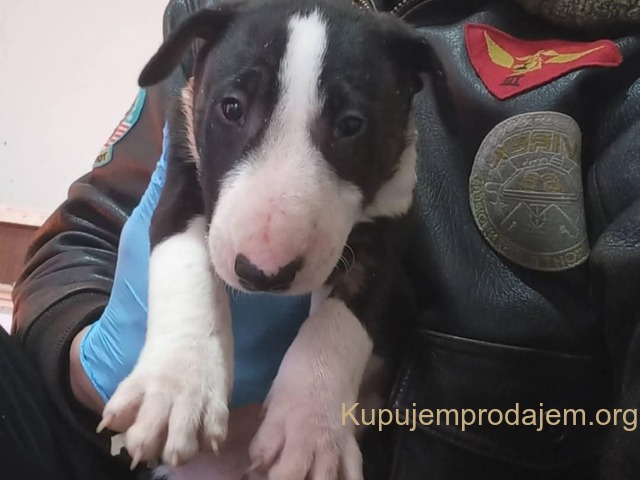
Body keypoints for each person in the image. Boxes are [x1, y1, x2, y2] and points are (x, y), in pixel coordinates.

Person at [4, 0, 640, 478]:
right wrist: (91, 357)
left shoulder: (610, 69)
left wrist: (329, 392)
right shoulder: (228, 22)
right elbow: (84, 234)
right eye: (232, 109)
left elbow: (373, 279)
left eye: (348, 125)